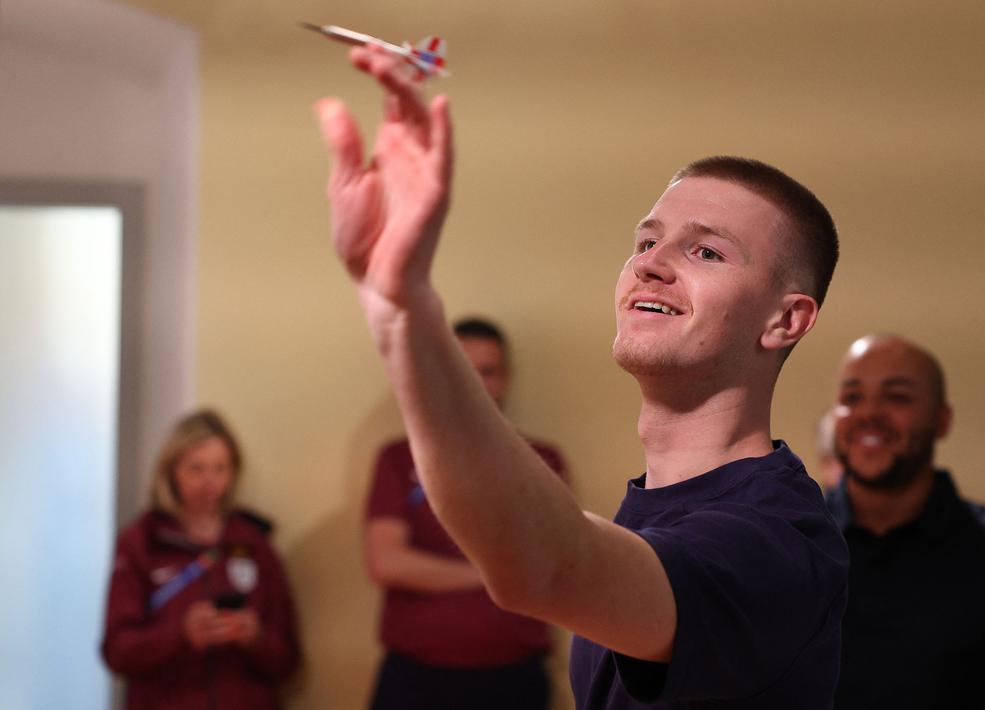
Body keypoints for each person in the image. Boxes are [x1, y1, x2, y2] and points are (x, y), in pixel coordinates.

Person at [313, 44, 847, 709]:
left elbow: (543, 564)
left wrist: (402, 305)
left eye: (705, 250)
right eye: (646, 241)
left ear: (784, 321)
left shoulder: (773, 541)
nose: (650, 264)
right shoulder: (657, 506)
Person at [824, 334, 985, 710]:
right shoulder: (787, 542)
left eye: (897, 396)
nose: (868, 414)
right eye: (852, 398)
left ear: (942, 421)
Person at [365, 316, 568, 710]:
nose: (476, 385)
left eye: (488, 372)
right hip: (415, 681)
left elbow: (548, 565)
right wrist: (492, 574)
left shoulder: (542, 461)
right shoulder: (396, 459)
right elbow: (387, 562)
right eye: (462, 371)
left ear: (505, 379)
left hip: (514, 680)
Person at [101, 409, 300, 709]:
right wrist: (180, 634)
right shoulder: (141, 542)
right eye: (197, 469)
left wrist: (254, 637)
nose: (210, 481)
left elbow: (288, 657)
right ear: (172, 471)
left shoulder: (253, 543)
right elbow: (117, 651)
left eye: (221, 469)